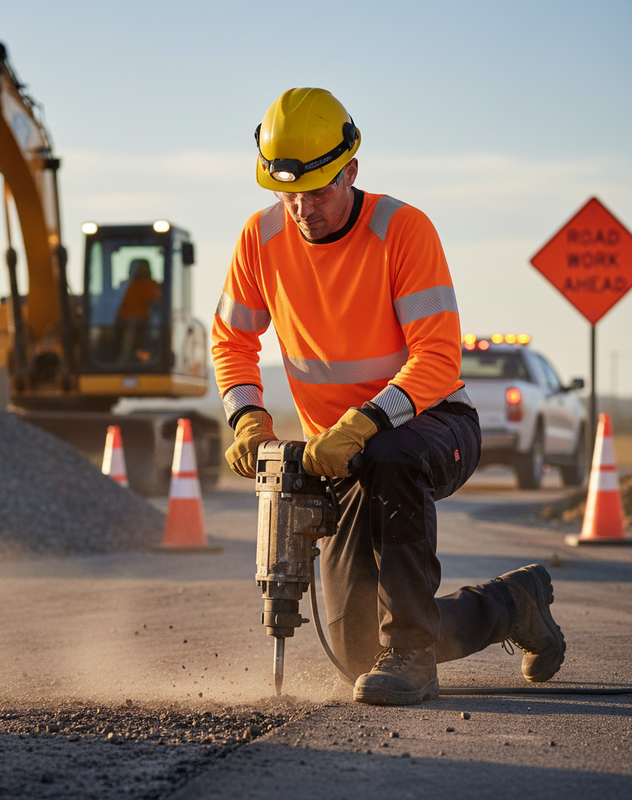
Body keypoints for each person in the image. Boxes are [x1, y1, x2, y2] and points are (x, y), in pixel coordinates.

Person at [211, 87, 566, 706]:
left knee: (391, 454)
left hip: (434, 426)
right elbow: (232, 339)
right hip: (342, 455)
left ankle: (411, 654)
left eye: (317, 191)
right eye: (287, 192)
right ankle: (512, 605)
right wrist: (247, 418)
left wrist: (364, 423)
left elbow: (437, 358)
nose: (301, 208)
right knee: (355, 656)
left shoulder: (402, 230)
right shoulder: (259, 239)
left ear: (350, 170)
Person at [116, 259, 162, 363]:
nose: (139, 270)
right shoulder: (125, 285)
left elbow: (157, 303)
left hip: (144, 323)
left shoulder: (152, 286)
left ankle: (125, 358)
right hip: (122, 321)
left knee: (131, 332)